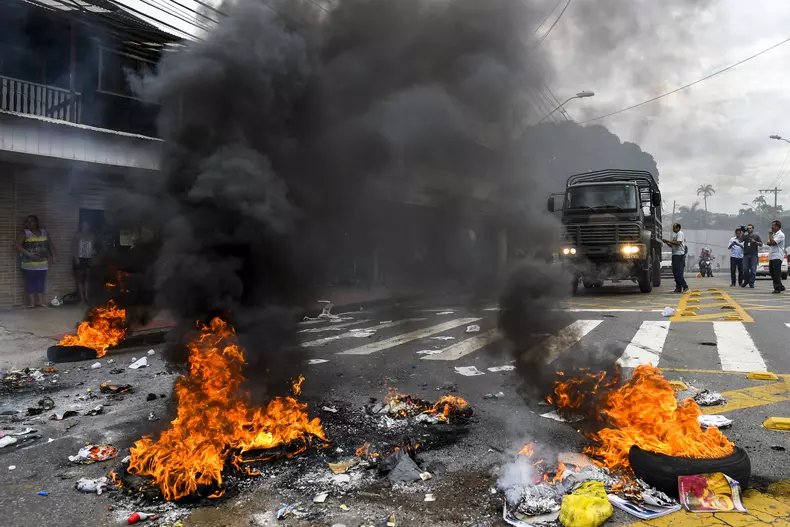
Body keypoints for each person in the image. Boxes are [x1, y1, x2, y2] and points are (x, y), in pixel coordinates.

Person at [14, 215, 57, 308]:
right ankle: (32, 303)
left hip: (43, 263)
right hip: (29, 264)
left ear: (37, 222)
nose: (29, 223)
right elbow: (17, 245)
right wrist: (28, 254)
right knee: (30, 282)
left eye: (31, 221)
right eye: (27, 221)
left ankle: (40, 301)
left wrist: (53, 255)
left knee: (41, 282)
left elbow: (50, 244)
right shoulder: (24, 233)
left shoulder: (44, 232)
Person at [72, 221, 96, 304]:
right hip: (80, 258)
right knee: (80, 279)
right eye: (83, 225)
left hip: (88, 258)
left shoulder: (91, 235)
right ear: (81, 226)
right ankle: (82, 298)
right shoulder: (78, 235)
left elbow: (93, 247)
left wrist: (93, 254)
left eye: (86, 225)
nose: (85, 227)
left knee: (87, 279)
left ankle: (86, 296)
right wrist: (76, 258)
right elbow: (74, 247)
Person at [662, 223, 688, 293]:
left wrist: (668, 241)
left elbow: (678, 243)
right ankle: (678, 287)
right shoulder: (675, 235)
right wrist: (666, 243)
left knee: (678, 272)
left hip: (679, 255)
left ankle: (685, 286)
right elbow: (673, 245)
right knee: (675, 272)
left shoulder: (680, 233)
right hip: (675, 255)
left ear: (678, 228)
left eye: (674, 228)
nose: (673, 229)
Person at [766, 220, 786, 294]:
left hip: (777, 256)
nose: (772, 227)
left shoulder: (781, 235)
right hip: (772, 256)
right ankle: (781, 286)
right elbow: (768, 242)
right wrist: (771, 236)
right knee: (771, 272)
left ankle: (777, 288)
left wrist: (770, 235)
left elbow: (772, 243)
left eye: (773, 225)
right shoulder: (773, 234)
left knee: (776, 273)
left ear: (778, 226)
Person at [741, 223, 763, 288]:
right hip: (746, 255)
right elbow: (740, 240)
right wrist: (742, 233)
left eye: (750, 228)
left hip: (753, 255)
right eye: (748, 228)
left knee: (753, 270)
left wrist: (755, 242)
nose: (749, 229)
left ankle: (751, 283)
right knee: (745, 269)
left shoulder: (756, 236)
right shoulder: (745, 236)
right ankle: (746, 281)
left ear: (753, 229)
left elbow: (761, 244)